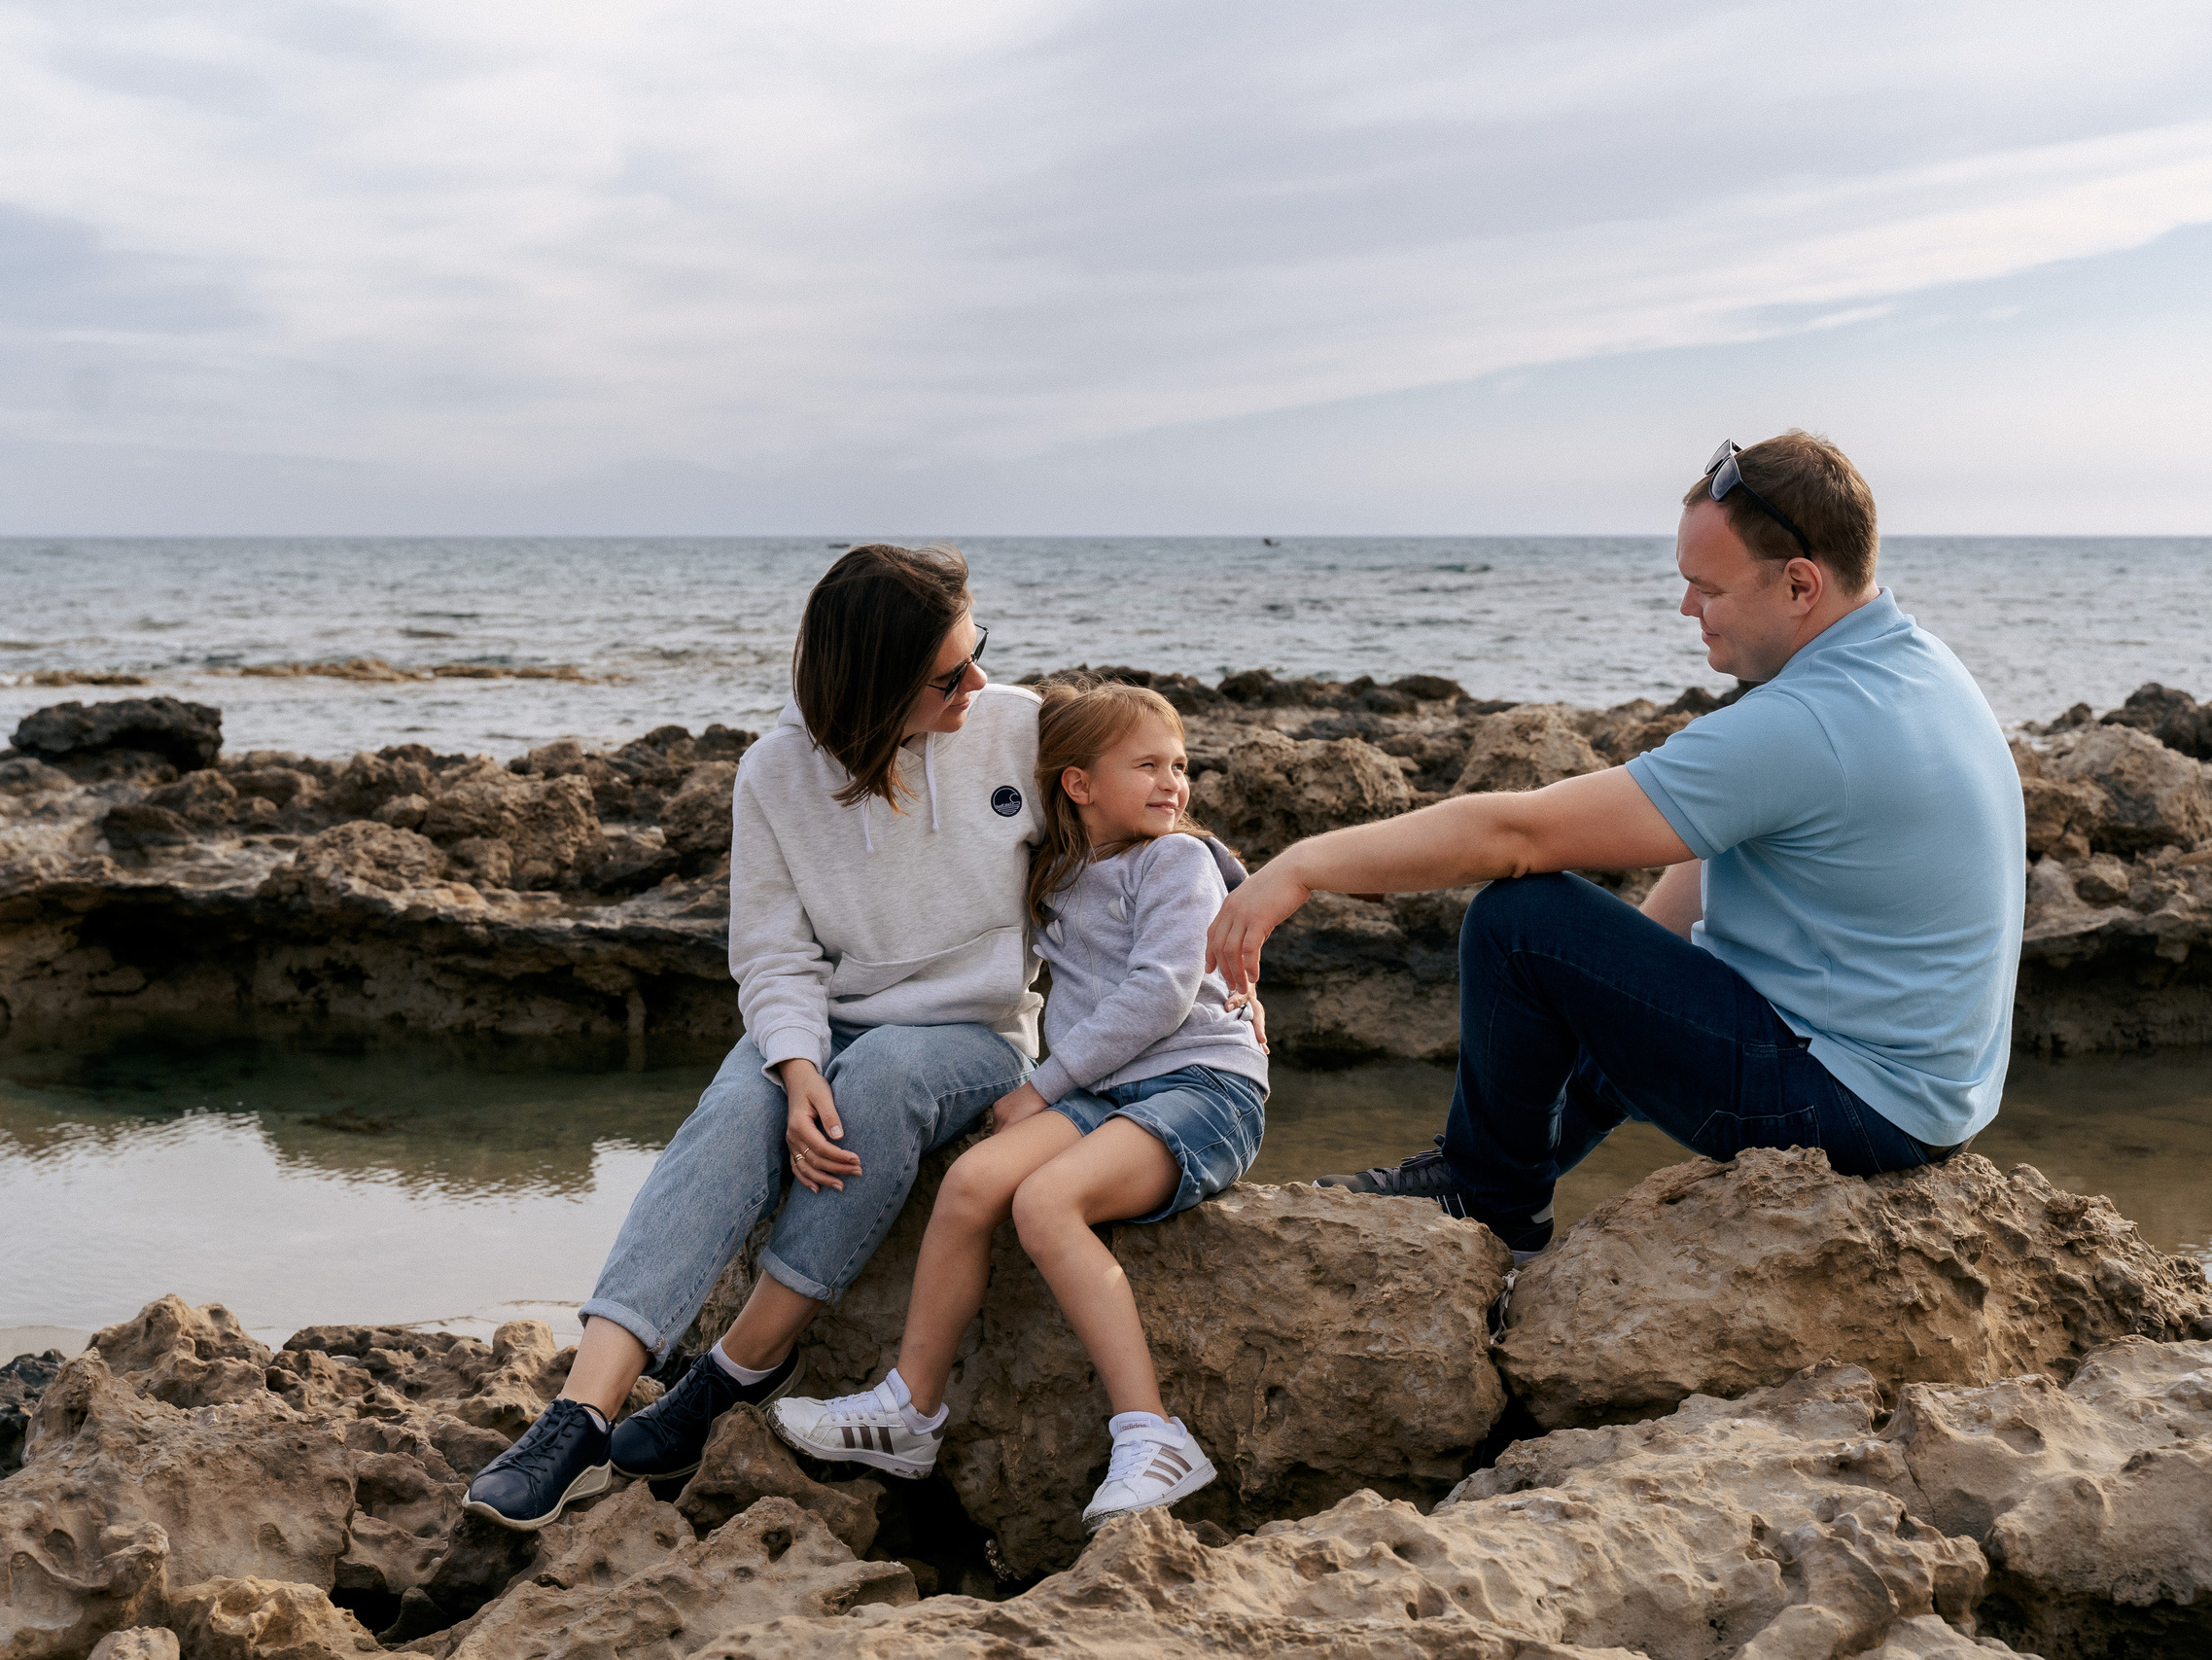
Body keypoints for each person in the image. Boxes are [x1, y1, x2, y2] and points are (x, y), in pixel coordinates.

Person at [1206, 431, 2024, 1257]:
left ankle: (1493, 1202)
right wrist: (1608, 995)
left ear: (1800, 583)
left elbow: (1517, 835)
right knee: (1591, 968)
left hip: (1854, 1108)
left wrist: (1302, 865)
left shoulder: (1805, 725)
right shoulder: (1917, 667)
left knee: (1522, 921)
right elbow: (1709, 866)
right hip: (1926, 1102)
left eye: (1706, 588)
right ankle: (1486, 1169)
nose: (1686, 609)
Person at [464, 544, 1045, 1530]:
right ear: (871, 686)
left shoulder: (1022, 729)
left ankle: (736, 1368)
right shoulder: (774, 774)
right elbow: (773, 954)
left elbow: (1139, 823)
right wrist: (795, 1063)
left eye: (976, 649)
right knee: (733, 1113)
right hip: (827, 1015)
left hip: (974, 1029)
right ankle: (577, 1414)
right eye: (948, 674)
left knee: (888, 1078)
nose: (977, 682)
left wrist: (1221, 901)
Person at [764, 680, 1268, 1534]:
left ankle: (1152, 1433)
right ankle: (908, 1412)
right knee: (973, 1181)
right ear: (1077, 784)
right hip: (1107, 1092)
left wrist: (1041, 1083)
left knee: (1045, 1200)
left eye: (1179, 764)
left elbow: (1163, 989)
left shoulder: (1178, 859)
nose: (1172, 782)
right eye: (1146, 765)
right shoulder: (1058, 870)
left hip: (1202, 1088)